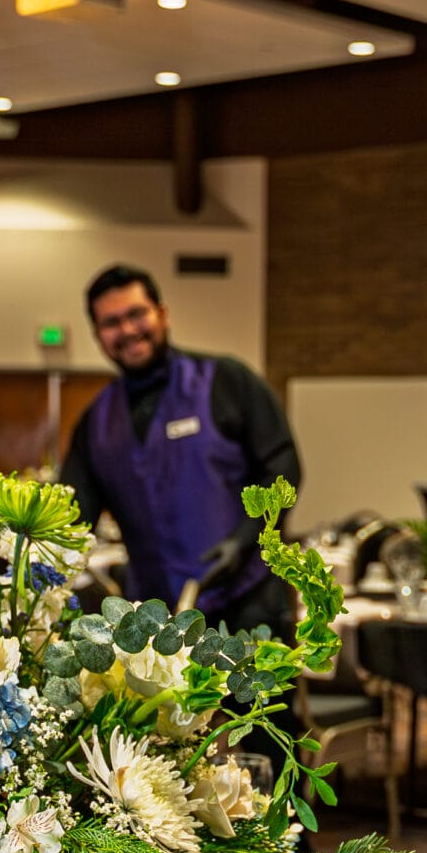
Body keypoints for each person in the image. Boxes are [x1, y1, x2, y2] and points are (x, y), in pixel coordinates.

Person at [59, 264, 300, 635]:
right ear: (97, 335)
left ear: (162, 313)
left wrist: (244, 539)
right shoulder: (94, 424)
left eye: (136, 314)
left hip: (248, 607)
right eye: (111, 323)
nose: (127, 330)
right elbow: (72, 519)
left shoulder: (226, 380)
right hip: (155, 624)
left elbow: (282, 467)